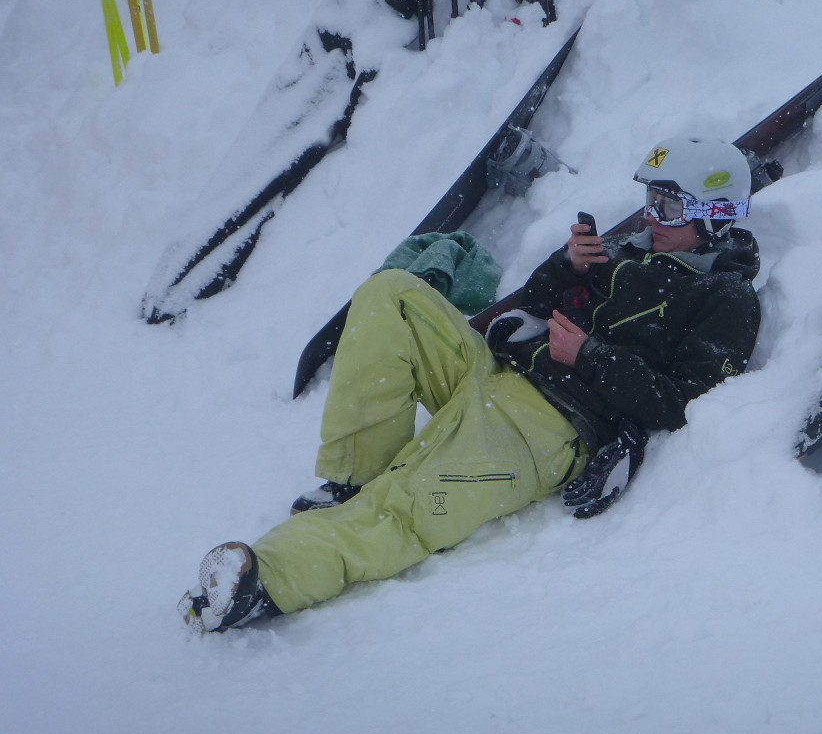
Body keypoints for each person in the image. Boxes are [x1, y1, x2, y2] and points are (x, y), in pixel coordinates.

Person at [179, 136, 762, 632]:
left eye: (669, 206)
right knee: (391, 295)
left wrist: (590, 358)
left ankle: (266, 581)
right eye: (651, 200)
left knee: (409, 508)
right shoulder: (625, 252)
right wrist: (566, 269)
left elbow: (686, 403)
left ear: (713, 215)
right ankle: (354, 475)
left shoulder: (726, 300)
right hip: (496, 372)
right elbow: (534, 305)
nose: (652, 217)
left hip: (547, 432)